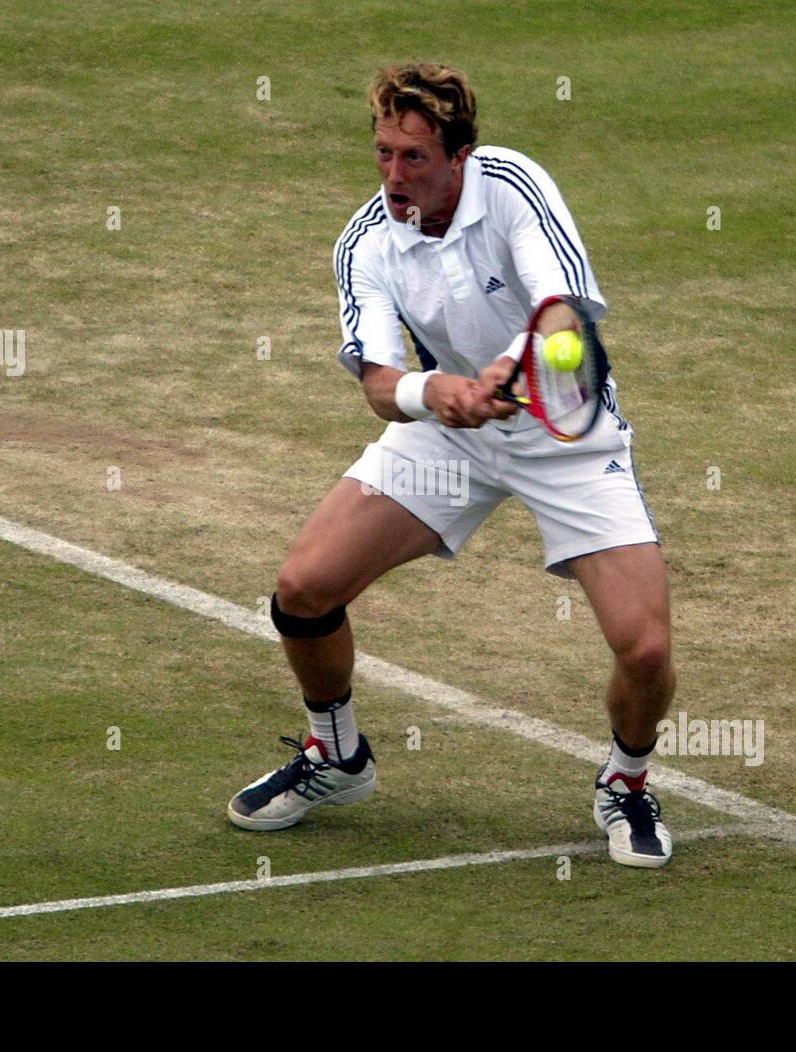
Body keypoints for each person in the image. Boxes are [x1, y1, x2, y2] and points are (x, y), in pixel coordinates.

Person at [227, 62, 676, 867]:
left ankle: (626, 783)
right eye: (383, 154)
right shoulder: (366, 241)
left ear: (461, 153)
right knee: (302, 589)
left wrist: (508, 372)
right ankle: (336, 756)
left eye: (414, 158)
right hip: (449, 436)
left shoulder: (512, 186)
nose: (394, 177)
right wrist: (440, 394)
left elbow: (562, 311)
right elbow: (377, 381)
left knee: (643, 648)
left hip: (563, 434)